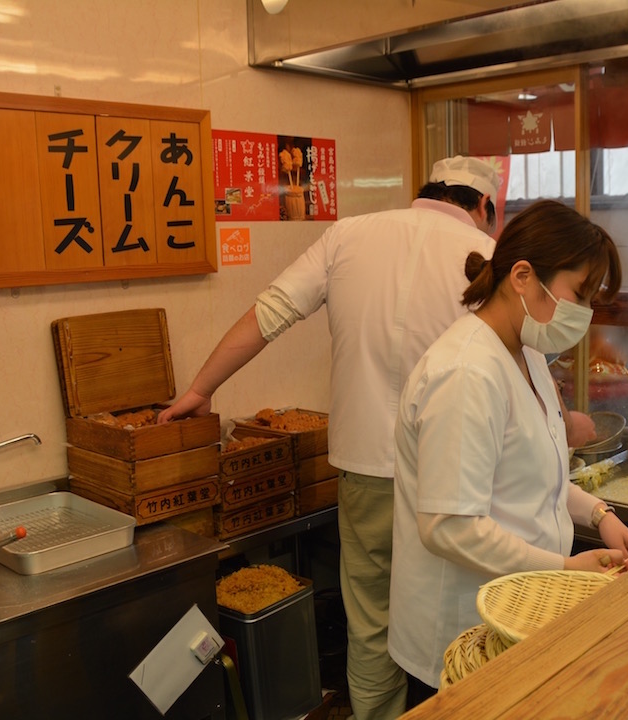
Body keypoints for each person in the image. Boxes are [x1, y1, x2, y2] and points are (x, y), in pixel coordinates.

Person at [157, 155, 502, 720]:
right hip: (456, 476)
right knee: (461, 624)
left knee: (370, 622)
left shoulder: (348, 235)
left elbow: (269, 313)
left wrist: (199, 388)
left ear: (429, 190)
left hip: (366, 468)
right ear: (483, 206)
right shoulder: (490, 258)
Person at [388, 200, 628, 703]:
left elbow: (535, 471)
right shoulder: (465, 373)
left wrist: (600, 512)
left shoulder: (525, 352)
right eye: (580, 293)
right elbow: (449, 525)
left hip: (523, 607)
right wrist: (565, 567)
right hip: (461, 626)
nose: (585, 313)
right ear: (522, 276)